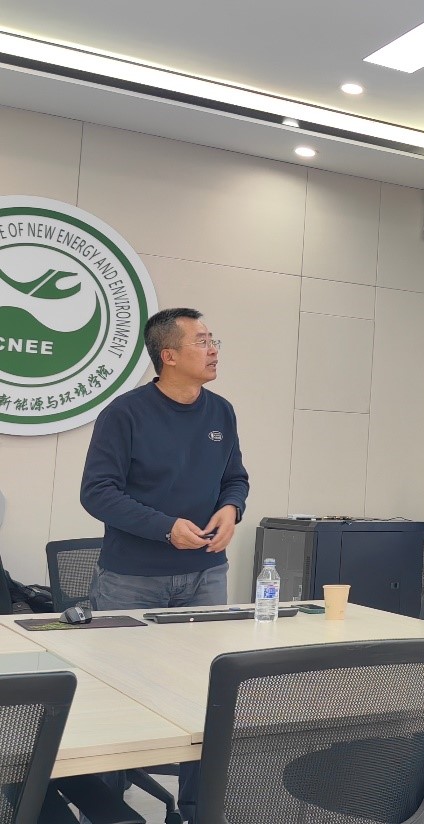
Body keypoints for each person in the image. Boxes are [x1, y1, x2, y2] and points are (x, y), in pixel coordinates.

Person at [80, 306, 248, 823]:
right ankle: (108, 810)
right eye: (202, 341)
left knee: (205, 693)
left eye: (214, 339)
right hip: (131, 581)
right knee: (119, 696)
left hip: (206, 576)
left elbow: (235, 478)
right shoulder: (125, 413)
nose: (214, 349)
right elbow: (97, 492)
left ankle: (198, 809)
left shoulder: (221, 412)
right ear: (168, 355)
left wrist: (231, 509)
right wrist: (164, 526)